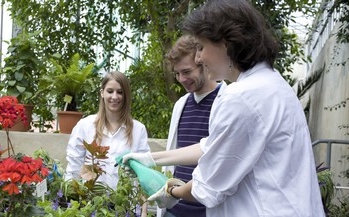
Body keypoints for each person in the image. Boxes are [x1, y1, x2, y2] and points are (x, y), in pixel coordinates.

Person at [122, 0, 325, 216]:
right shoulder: (272, 84)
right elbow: (210, 146)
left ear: (227, 42)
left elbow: (207, 187)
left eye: (201, 47)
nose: (199, 57)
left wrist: (171, 190)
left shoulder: (242, 97)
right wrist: (152, 158)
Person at [65, 71, 151, 214]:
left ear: (126, 95)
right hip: (90, 206)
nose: (114, 97)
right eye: (110, 91)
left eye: (120, 92)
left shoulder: (138, 130)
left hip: (125, 207)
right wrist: (72, 203)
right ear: (102, 93)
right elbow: (74, 167)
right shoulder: (85, 126)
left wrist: (143, 209)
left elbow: (143, 173)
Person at [160, 35, 226, 217]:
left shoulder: (227, 101)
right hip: (174, 209)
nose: (181, 79)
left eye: (187, 72)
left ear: (203, 63)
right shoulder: (181, 105)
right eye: (177, 73)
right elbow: (175, 155)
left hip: (206, 211)